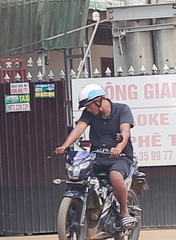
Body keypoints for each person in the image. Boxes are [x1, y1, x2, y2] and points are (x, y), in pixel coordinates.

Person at [57, 83, 137, 217]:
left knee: (115, 177)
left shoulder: (122, 109)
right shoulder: (89, 114)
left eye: (89, 106)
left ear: (98, 101)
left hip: (120, 157)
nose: (88, 109)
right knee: (77, 176)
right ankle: (82, 210)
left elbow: (125, 131)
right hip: (97, 157)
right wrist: (65, 145)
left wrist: (118, 148)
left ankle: (124, 211)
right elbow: (79, 128)